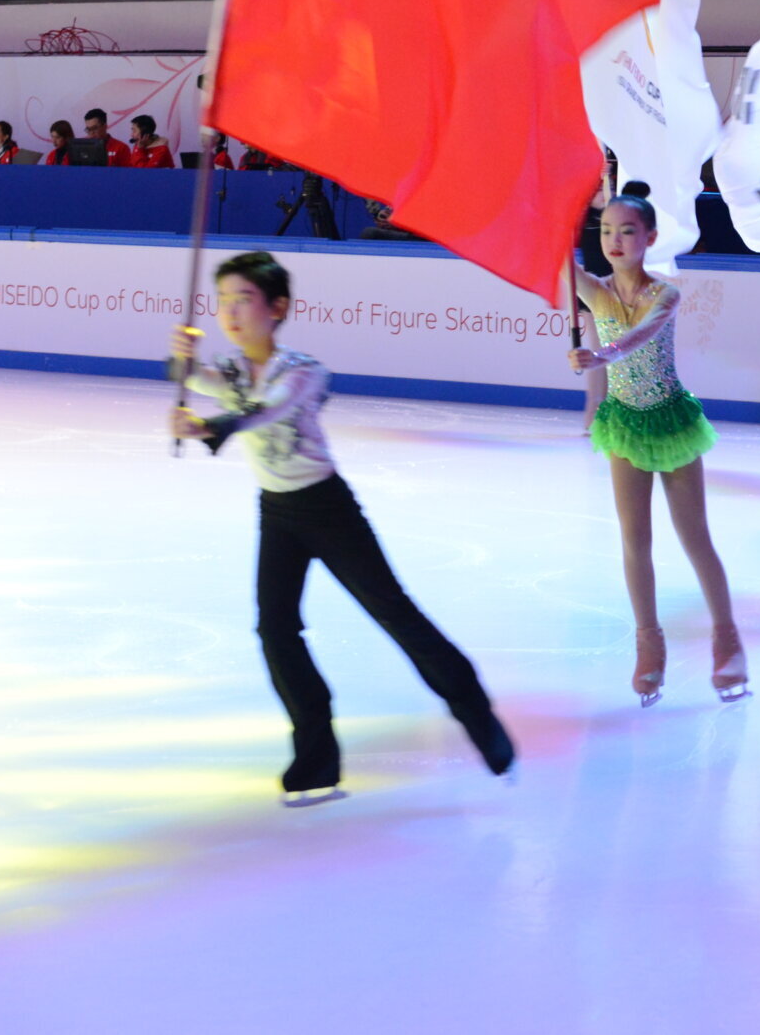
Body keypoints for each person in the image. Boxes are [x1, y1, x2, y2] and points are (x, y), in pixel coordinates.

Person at [170, 252, 516, 805]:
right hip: (277, 513)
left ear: (277, 307)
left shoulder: (303, 371)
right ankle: (315, 760)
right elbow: (202, 381)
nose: (230, 312)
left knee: (396, 616)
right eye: (224, 301)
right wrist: (181, 360)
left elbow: (264, 410)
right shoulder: (232, 370)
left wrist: (205, 425)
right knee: (276, 630)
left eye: (244, 300)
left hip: (328, 510)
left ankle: (478, 716)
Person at [568, 194, 749, 706]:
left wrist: (600, 354)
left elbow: (643, 335)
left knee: (695, 538)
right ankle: (649, 645)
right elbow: (556, 261)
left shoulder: (664, 293)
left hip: (672, 423)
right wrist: (559, 212)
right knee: (635, 540)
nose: (615, 240)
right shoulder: (595, 291)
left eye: (627, 230)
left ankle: (727, 638)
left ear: (649, 238)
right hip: (625, 425)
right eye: (606, 230)